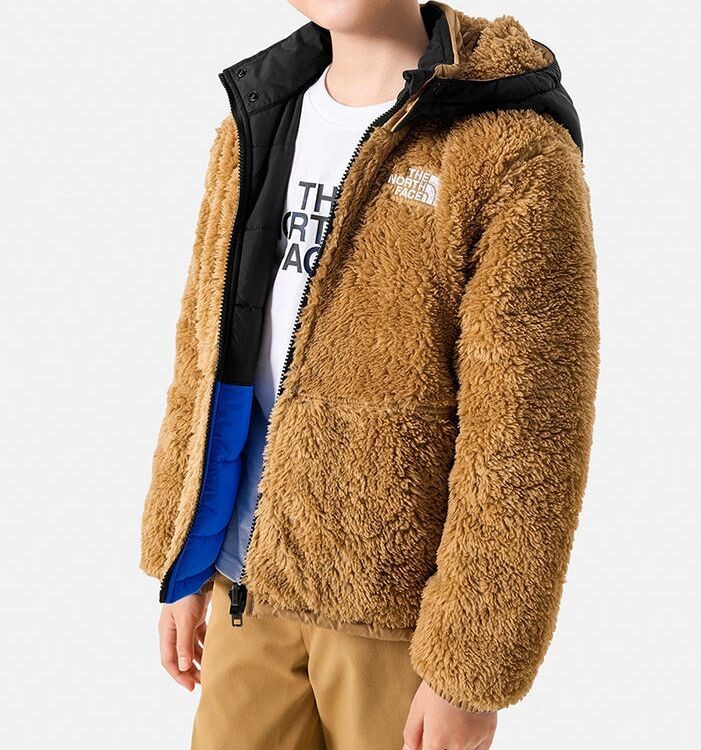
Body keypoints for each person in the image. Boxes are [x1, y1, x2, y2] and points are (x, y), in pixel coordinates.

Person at [139, 1, 599, 747]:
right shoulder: (256, 123)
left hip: (395, 616)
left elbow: (527, 430)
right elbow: (202, 356)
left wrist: (470, 665)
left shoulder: (510, 148)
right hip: (243, 583)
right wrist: (185, 556)